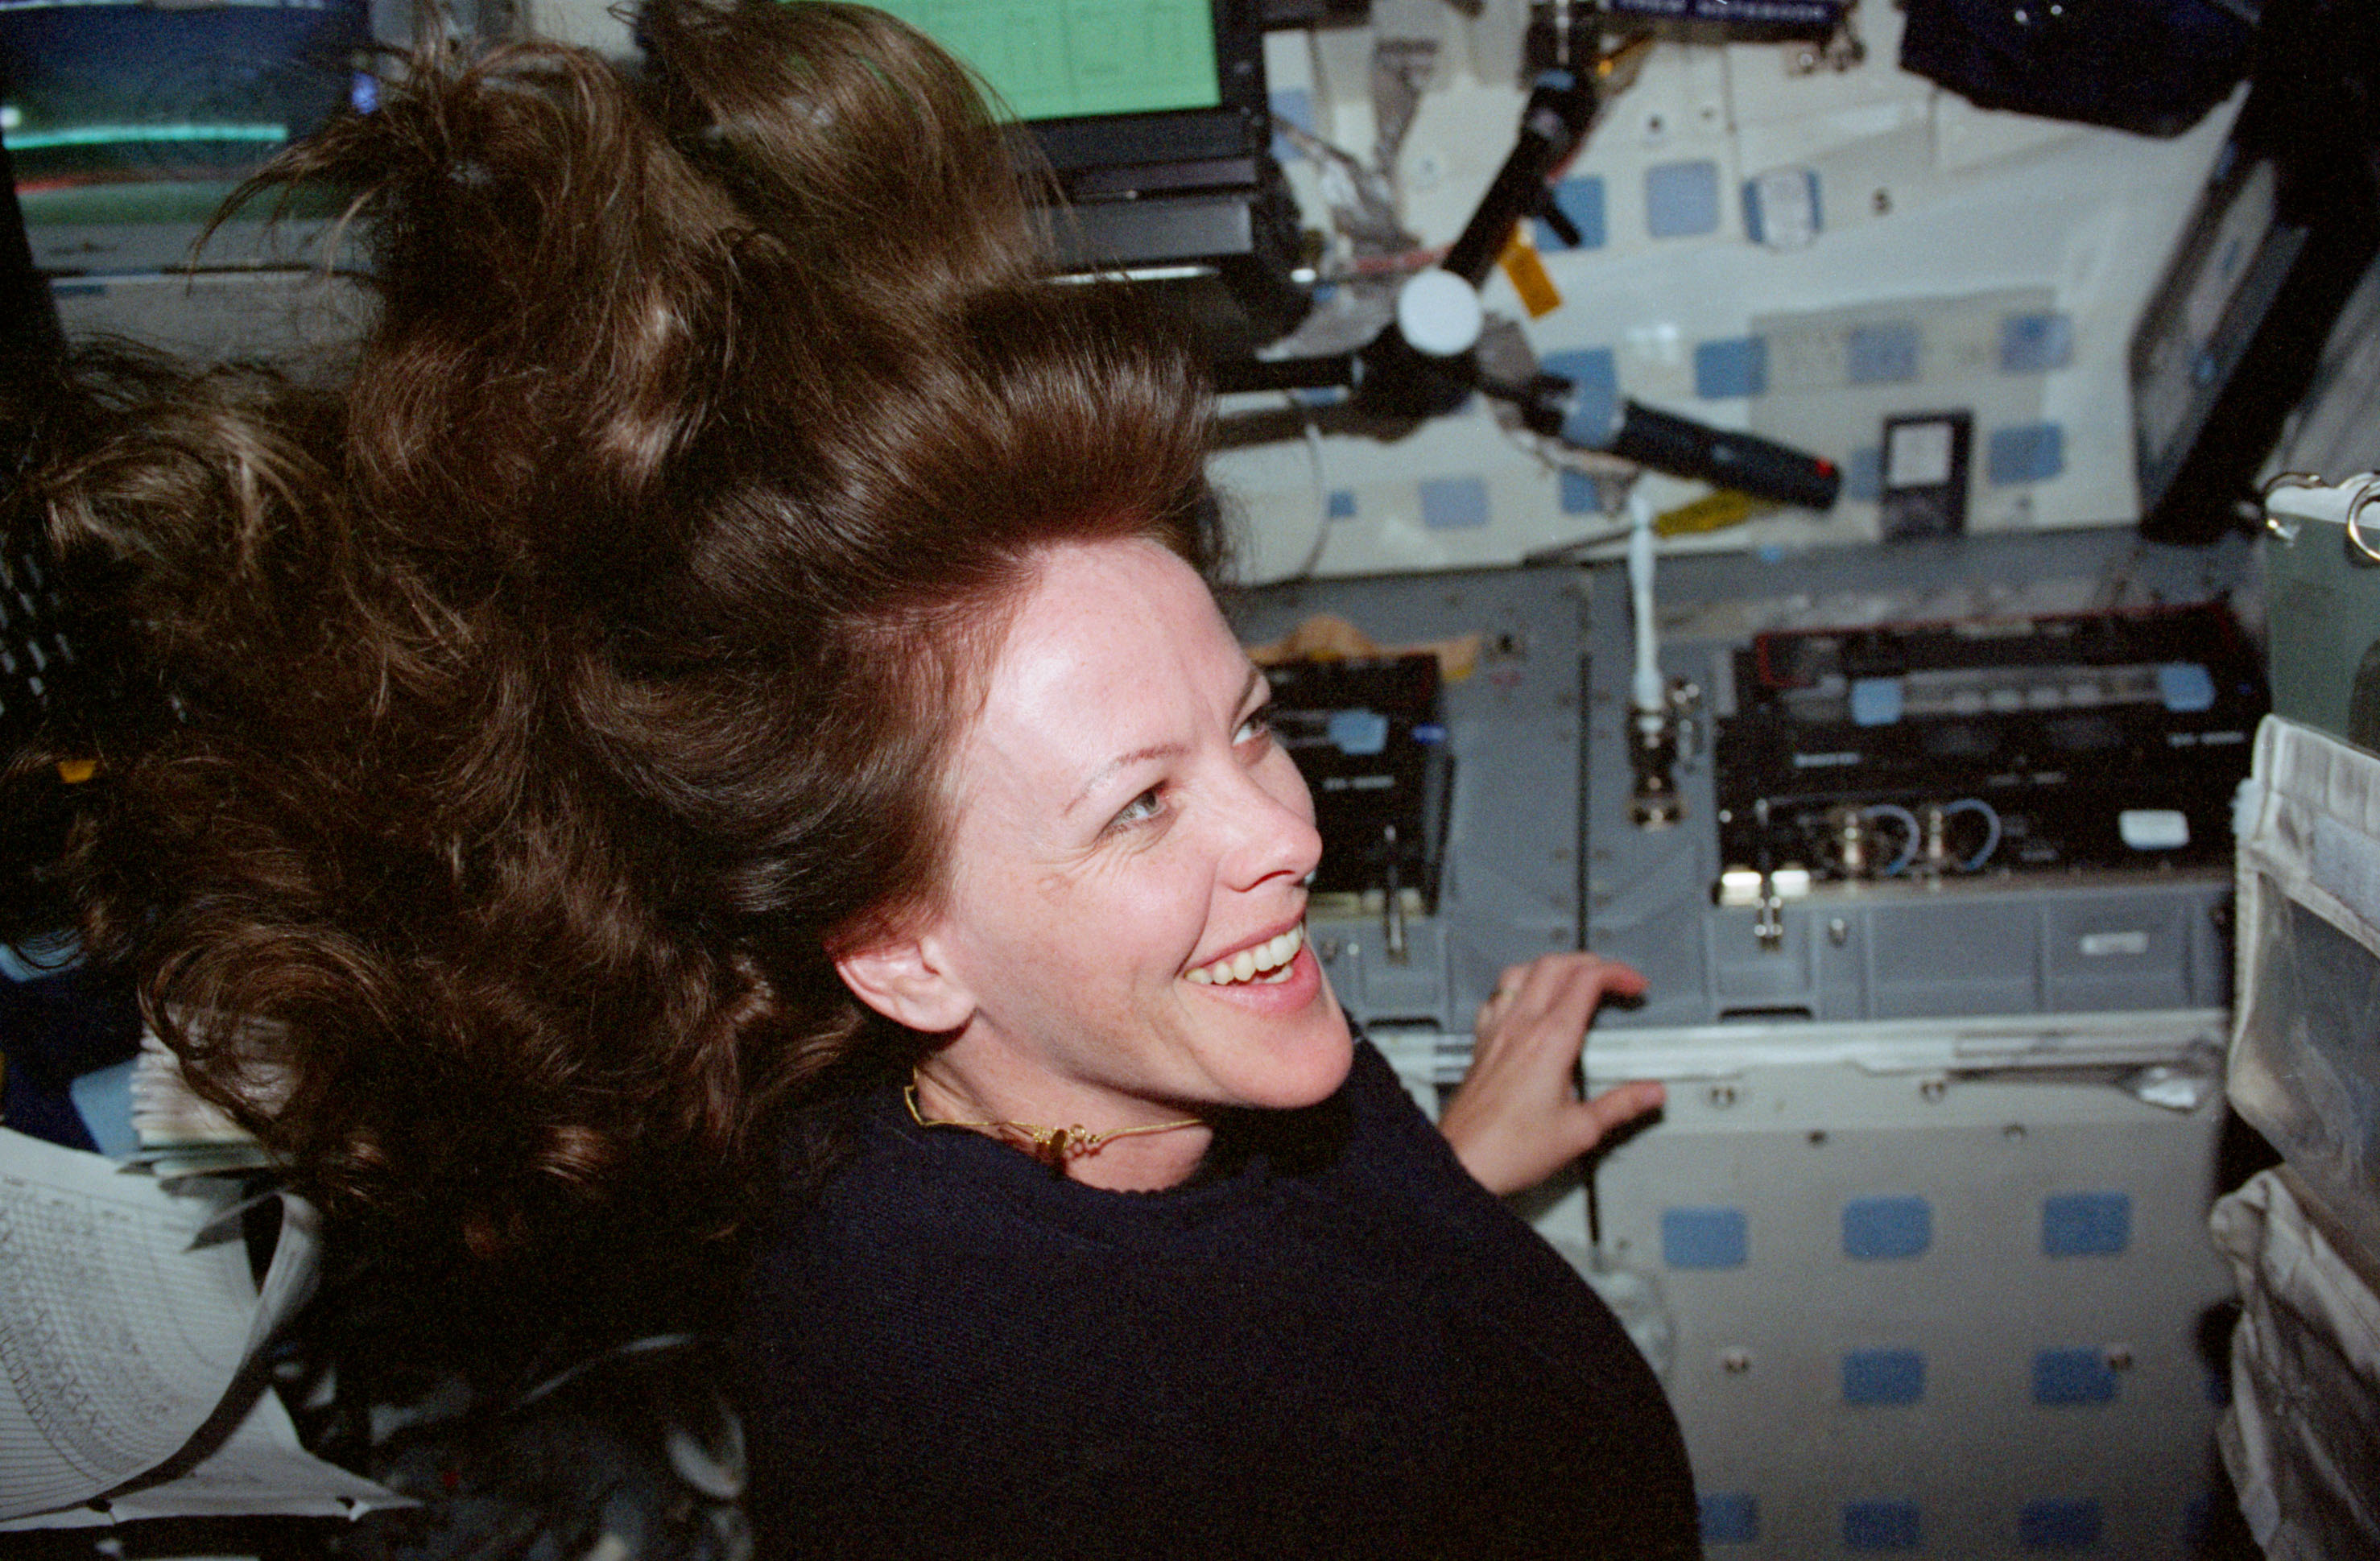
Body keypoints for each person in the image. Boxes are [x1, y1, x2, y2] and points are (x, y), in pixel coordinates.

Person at [11, 1, 1699, 1553]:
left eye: (1247, 722)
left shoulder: (1081, 1093)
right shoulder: (1017, 1454)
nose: (1285, 832)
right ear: (897, 946)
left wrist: (1446, 1182)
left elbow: (1275, 1307)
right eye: (1139, 804)